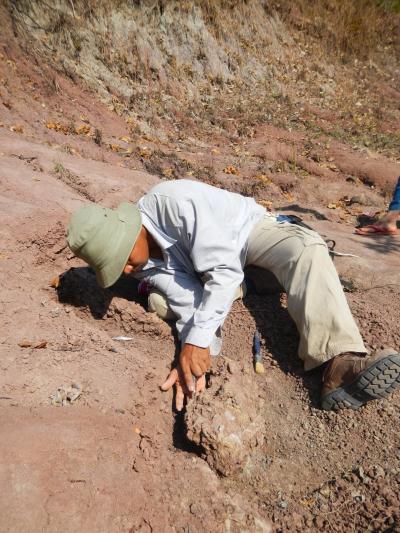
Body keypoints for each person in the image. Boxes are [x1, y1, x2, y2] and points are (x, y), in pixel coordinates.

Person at [67, 180, 400, 411]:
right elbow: (188, 303)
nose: (126, 272)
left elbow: (223, 271)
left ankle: (339, 363)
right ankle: (259, 283)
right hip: (216, 268)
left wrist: (197, 340)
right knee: (161, 302)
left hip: (247, 234)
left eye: (121, 261)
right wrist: (194, 362)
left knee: (306, 249)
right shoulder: (142, 263)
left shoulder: (173, 203)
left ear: (129, 234)